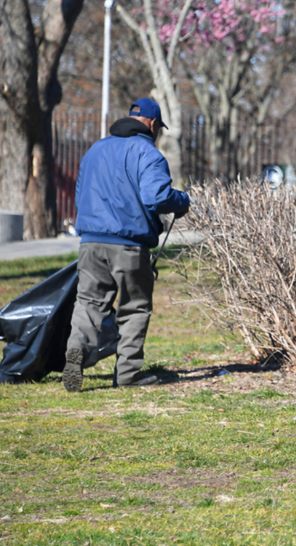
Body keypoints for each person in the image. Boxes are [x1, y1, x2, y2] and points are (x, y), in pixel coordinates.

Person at [62, 98, 190, 392]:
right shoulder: (149, 153)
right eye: (158, 128)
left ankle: (77, 349)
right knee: (134, 307)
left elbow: (80, 196)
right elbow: (156, 197)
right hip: (129, 245)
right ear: (153, 124)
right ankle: (128, 374)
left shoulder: (95, 149)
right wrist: (182, 201)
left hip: (90, 242)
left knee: (89, 303)